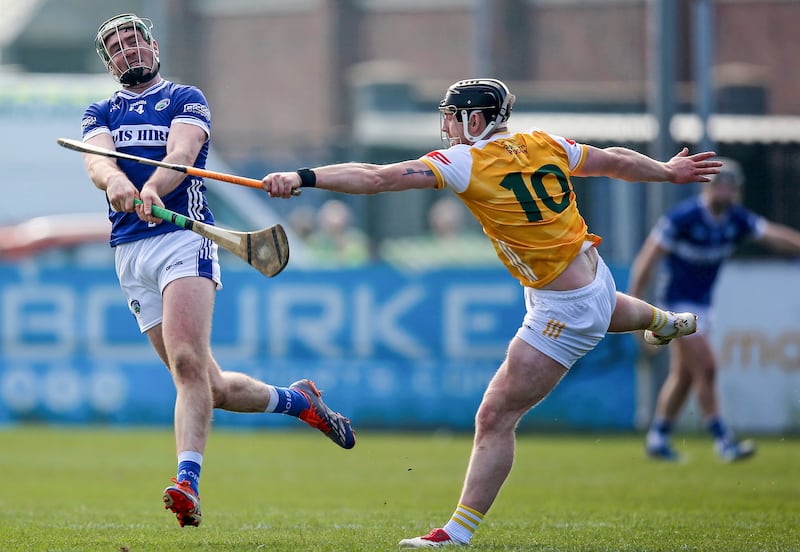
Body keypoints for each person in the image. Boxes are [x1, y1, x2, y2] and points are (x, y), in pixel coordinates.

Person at [262, 78, 721, 547]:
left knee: (495, 416)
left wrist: (304, 176)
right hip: (592, 275)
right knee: (604, 308)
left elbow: (376, 177)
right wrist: (667, 171)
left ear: (475, 120)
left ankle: (455, 534)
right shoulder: (544, 141)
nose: (447, 126)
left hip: (566, 306)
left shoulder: (465, 161)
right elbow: (615, 160)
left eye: (453, 116)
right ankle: (661, 321)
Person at [79, 13, 355, 528]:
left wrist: (154, 187)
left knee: (186, 365)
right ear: (109, 61)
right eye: (116, 47)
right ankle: (298, 401)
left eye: (134, 41)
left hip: (184, 238)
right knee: (211, 386)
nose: (128, 51)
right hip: (129, 252)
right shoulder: (100, 111)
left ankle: (187, 483)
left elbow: (182, 153)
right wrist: (113, 181)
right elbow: (97, 160)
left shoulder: (185, 97)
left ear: (153, 45)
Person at [629, 158, 800, 462]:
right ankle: (724, 441)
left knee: (684, 376)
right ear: (706, 188)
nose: (725, 191)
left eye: (731, 187)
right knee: (707, 367)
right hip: (674, 305)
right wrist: (635, 306)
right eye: (719, 185)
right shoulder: (683, 218)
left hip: (704, 307)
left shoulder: (737, 220)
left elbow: (772, 236)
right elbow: (647, 259)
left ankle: (658, 438)